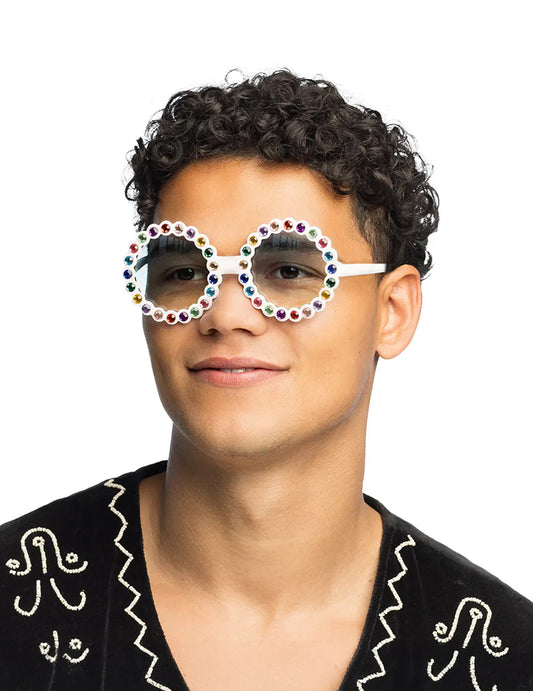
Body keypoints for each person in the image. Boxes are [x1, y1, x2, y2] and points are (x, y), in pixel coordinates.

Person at [1, 69, 531, 690]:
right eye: (183, 272)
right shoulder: (15, 605)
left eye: (288, 270)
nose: (224, 313)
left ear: (392, 312)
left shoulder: (504, 661)